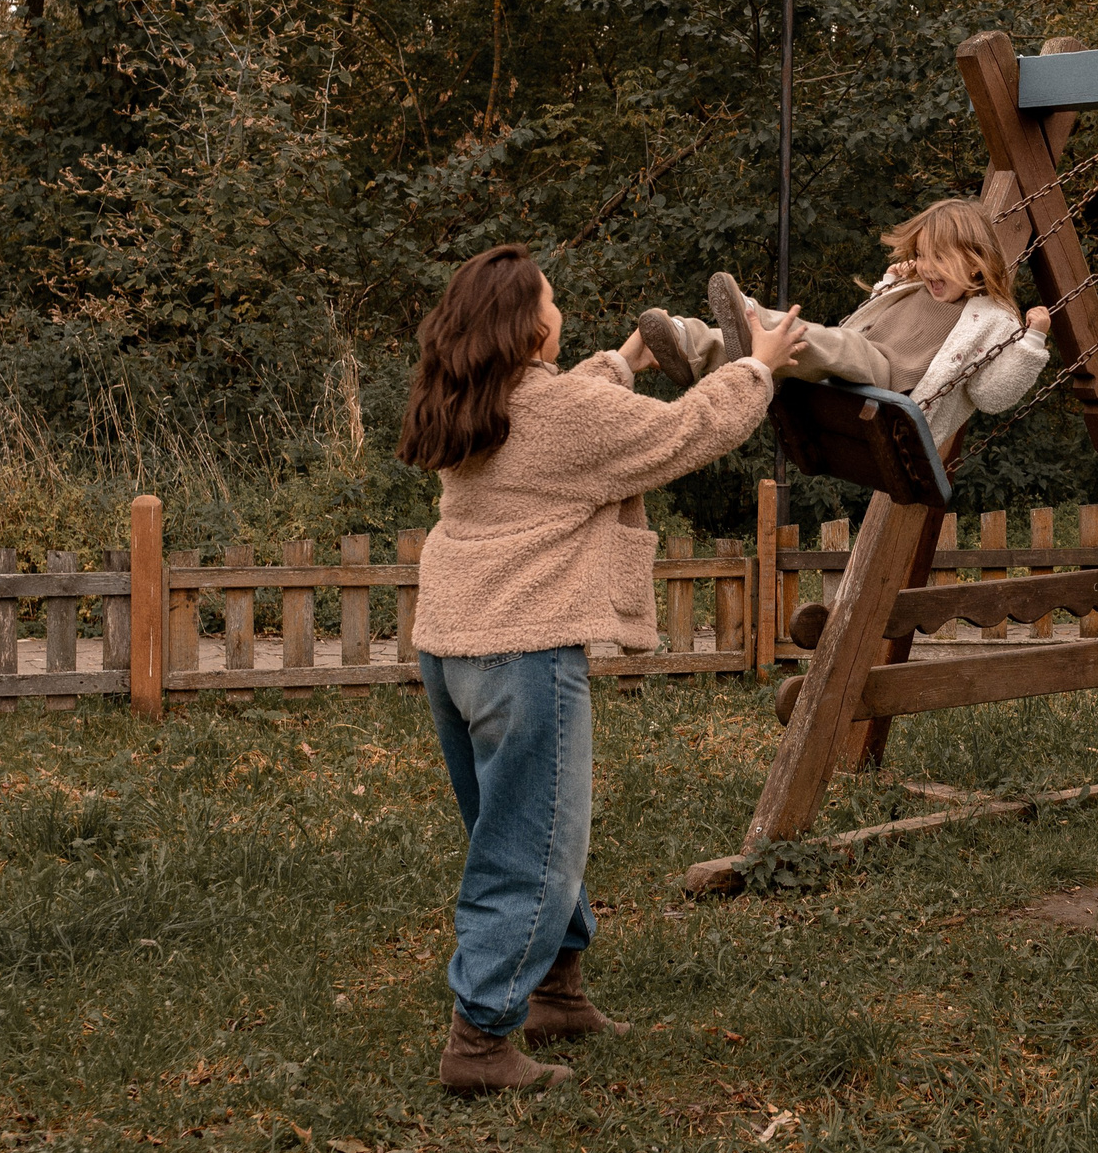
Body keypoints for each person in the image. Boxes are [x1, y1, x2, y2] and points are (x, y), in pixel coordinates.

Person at [399, 243, 808, 1094]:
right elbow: (685, 431)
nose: (561, 311)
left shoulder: (468, 400)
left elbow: (566, 411)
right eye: (552, 301)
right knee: (532, 846)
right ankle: (480, 1042)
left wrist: (623, 359)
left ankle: (555, 989)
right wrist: (759, 369)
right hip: (523, 652)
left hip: (450, 648)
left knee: (516, 825)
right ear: (528, 328)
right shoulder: (560, 415)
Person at [634, 196, 1054, 445]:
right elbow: (878, 314)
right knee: (797, 348)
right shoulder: (919, 286)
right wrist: (892, 281)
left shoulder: (994, 321)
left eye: (939, 258)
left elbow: (991, 396)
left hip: (892, 388)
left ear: (976, 261)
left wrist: (1032, 342)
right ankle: (690, 345)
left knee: (829, 341)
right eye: (923, 255)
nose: (927, 267)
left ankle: (751, 315)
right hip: (860, 361)